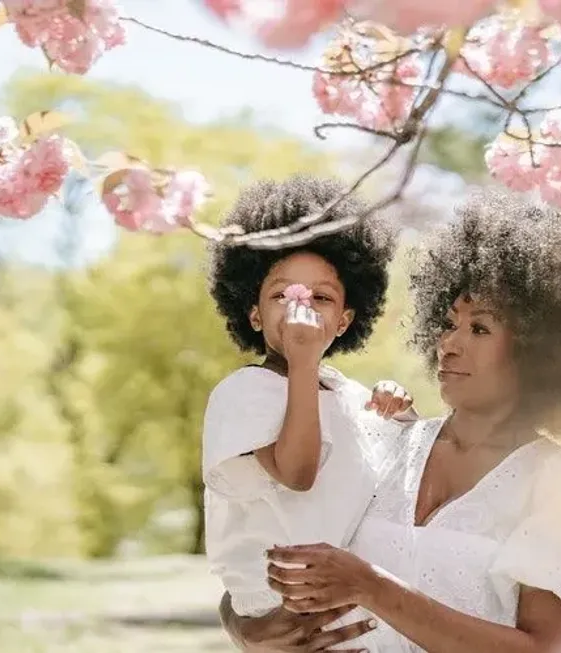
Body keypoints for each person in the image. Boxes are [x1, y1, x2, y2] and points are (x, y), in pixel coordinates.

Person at [219, 188, 561, 652]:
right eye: (448, 323)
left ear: (541, 352)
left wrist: (370, 586)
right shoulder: (385, 440)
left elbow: (543, 648)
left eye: (480, 328)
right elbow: (262, 539)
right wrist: (246, 628)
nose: (449, 344)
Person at [203, 176, 417, 651]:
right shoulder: (245, 391)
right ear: (254, 314)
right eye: (282, 295)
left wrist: (398, 405)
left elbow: (405, 474)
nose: (301, 307)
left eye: (321, 298)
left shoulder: (346, 392)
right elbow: (297, 473)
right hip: (282, 612)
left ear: (342, 322)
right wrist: (302, 362)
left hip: (356, 612)